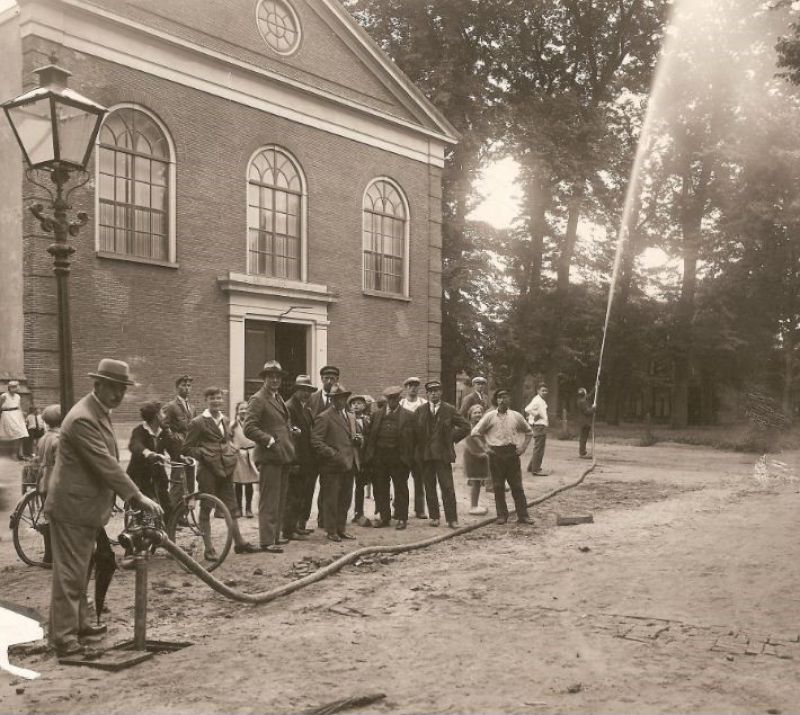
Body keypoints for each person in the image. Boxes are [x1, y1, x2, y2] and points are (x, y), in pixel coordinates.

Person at [43, 359, 164, 657]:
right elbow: (105, 464)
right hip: (72, 507)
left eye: (122, 389)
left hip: (82, 506)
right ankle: (64, 638)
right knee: (71, 574)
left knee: (80, 569)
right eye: (112, 387)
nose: (118, 394)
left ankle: (79, 624)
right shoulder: (84, 417)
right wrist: (136, 496)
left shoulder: (97, 411)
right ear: (97, 384)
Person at [183, 387, 258, 559]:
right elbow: (187, 448)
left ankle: (239, 543)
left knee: (231, 507)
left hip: (225, 470)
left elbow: (226, 442)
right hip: (207, 471)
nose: (216, 401)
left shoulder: (225, 420)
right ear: (206, 400)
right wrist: (204, 454)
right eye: (212, 398)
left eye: (218, 398)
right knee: (206, 508)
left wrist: (230, 451)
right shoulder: (198, 422)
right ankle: (208, 549)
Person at [244, 361, 297, 554]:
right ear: (264, 378)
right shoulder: (258, 399)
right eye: (270, 376)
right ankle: (266, 540)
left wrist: (290, 430)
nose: (275, 380)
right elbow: (248, 428)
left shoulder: (278, 398)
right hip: (269, 455)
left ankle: (274, 536)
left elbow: (278, 423)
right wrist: (269, 440)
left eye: (278, 377)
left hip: (282, 455)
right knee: (269, 498)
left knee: (280, 497)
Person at [472, 388, 534, 525]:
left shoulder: (516, 416)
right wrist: (485, 448)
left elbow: (529, 432)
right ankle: (502, 516)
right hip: (496, 454)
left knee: (517, 486)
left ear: (509, 400)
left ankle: (523, 515)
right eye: (499, 398)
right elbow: (475, 433)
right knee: (498, 486)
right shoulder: (490, 416)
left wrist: (523, 447)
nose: (502, 400)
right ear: (497, 400)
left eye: (505, 397)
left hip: (512, 453)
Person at [415, 381, 470, 528]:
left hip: (443, 455)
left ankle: (452, 519)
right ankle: (434, 516)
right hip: (426, 456)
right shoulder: (420, 411)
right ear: (427, 394)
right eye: (430, 391)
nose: (433, 393)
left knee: (447, 487)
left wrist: (451, 438)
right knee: (429, 486)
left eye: (436, 390)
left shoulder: (449, 409)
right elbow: (414, 432)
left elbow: (466, 426)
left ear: (441, 392)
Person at [310, 384, 359, 543]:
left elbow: (354, 435)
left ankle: (341, 528)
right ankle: (331, 530)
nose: (341, 401)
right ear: (332, 399)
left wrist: (358, 439)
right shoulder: (324, 417)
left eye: (343, 398)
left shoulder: (350, 416)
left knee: (345, 498)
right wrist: (332, 454)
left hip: (348, 464)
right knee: (331, 499)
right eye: (337, 398)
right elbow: (316, 441)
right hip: (332, 466)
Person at [364, 386, 416, 529]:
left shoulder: (409, 416)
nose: (392, 401)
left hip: (399, 458)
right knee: (380, 487)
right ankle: (384, 517)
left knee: (400, 488)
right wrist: (370, 457)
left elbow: (415, 439)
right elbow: (370, 437)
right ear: (386, 400)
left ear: (399, 399)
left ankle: (401, 517)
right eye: (389, 399)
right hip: (380, 458)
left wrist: (410, 458)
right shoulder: (376, 415)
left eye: (395, 399)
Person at [126, 401, 177, 523]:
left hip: (158, 475)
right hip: (140, 476)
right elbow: (135, 445)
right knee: (147, 510)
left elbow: (172, 449)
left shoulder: (163, 431)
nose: (165, 416)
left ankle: (167, 536)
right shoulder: (139, 431)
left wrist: (181, 457)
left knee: (167, 507)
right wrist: (150, 454)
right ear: (156, 416)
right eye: (162, 413)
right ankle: (140, 533)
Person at [283, 375, 317, 540]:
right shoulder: (289, 407)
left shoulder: (306, 409)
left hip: (306, 459)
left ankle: (296, 525)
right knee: (293, 496)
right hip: (296, 459)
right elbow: (288, 435)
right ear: (295, 390)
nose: (306, 393)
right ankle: (288, 529)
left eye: (308, 390)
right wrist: (293, 460)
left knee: (301, 494)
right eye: (302, 390)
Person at [35, 404, 62, 565]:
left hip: (43, 480)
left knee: (49, 517)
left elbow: (40, 460)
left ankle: (48, 556)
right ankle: (56, 557)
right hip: (56, 481)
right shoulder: (59, 439)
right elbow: (61, 463)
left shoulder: (43, 438)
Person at [163, 375, 196, 502]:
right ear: (177, 388)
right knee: (178, 483)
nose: (187, 388)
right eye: (183, 385)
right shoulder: (171, 406)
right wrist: (174, 440)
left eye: (189, 385)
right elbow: (164, 426)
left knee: (189, 484)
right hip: (177, 450)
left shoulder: (192, 408)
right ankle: (174, 516)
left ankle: (185, 515)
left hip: (190, 449)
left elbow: (194, 428)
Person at [400, 377, 428, 519]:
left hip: (419, 446)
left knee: (419, 479)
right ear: (406, 387)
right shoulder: (401, 404)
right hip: (404, 446)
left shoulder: (424, 403)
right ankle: (399, 508)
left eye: (416, 385)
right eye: (410, 385)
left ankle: (420, 509)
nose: (413, 388)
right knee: (401, 479)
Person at [230, 402, 258, 518]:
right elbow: (227, 439)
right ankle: (238, 509)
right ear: (237, 411)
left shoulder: (252, 423)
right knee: (238, 483)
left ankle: (248, 508)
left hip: (250, 454)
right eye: (241, 409)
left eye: (246, 409)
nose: (244, 411)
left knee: (249, 483)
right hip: (238, 455)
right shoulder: (233, 425)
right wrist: (233, 447)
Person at [462, 404, 491, 515]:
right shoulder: (470, 427)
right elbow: (469, 443)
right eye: (475, 413)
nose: (478, 414)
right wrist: (482, 453)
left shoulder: (482, 426)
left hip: (481, 456)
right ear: (470, 415)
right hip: (473, 457)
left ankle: (476, 504)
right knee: (476, 482)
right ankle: (473, 506)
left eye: (479, 412)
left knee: (478, 482)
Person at [349, 394, 372, 526]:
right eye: (354, 403)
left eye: (359, 403)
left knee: (360, 486)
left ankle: (359, 512)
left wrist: (363, 439)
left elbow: (370, 436)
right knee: (346, 486)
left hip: (362, 458)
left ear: (364, 406)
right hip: (350, 456)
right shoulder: (347, 419)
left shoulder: (368, 421)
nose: (356, 405)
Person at [525, 383, 550, 476]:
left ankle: (531, 466)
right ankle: (536, 469)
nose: (544, 392)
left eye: (546, 391)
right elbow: (527, 409)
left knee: (539, 447)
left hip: (541, 425)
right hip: (539, 426)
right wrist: (536, 415)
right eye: (542, 390)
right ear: (538, 391)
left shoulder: (541, 400)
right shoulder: (537, 400)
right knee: (539, 448)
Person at [0, 380, 28, 459]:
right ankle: (14, 454)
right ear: (9, 388)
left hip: (17, 415)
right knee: (17, 433)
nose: (15, 389)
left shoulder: (18, 396)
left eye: (16, 387)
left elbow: (19, 407)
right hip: (7, 414)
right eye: (13, 387)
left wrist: (22, 418)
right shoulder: (4, 396)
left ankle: (20, 454)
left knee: (22, 433)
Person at [577, 387, 595, 458]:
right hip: (585, 422)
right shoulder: (583, 402)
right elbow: (587, 411)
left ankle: (582, 452)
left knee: (583, 437)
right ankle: (582, 452)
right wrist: (593, 408)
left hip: (583, 422)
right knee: (583, 438)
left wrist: (595, 388)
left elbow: (589, 396)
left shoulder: (580, 400)